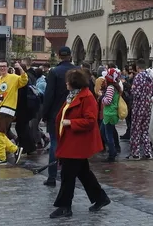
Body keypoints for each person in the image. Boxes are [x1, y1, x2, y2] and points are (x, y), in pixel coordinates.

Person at [50, 69, 111, 219]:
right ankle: (100, 198)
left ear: (74, 83)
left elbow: (90, 121)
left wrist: (71, 122)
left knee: (67, 175)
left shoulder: (86, 97)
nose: (66, 83)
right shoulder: (73, 96)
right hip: (71, 141)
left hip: (77, 143)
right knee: (83, 173)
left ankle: (65, 206)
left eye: (68, 81)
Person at [41, 47, 77, 187]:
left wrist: (45, 113)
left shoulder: (54, 72)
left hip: (56, 113)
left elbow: (49, 95)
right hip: (73, 112)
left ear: (58, 56)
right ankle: (69, 174)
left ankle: (52, 177)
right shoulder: (77, 71)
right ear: (70, 55)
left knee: (55, 143)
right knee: (71, 143)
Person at [0, 61, 28, 166]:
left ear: (8, 67)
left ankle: (13, 151)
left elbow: (24, 80)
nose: (2, 68)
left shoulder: (13, 77)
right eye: (1, 67)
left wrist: (20, 69)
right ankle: (3, 157)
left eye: (4, 66)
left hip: (7, 108)